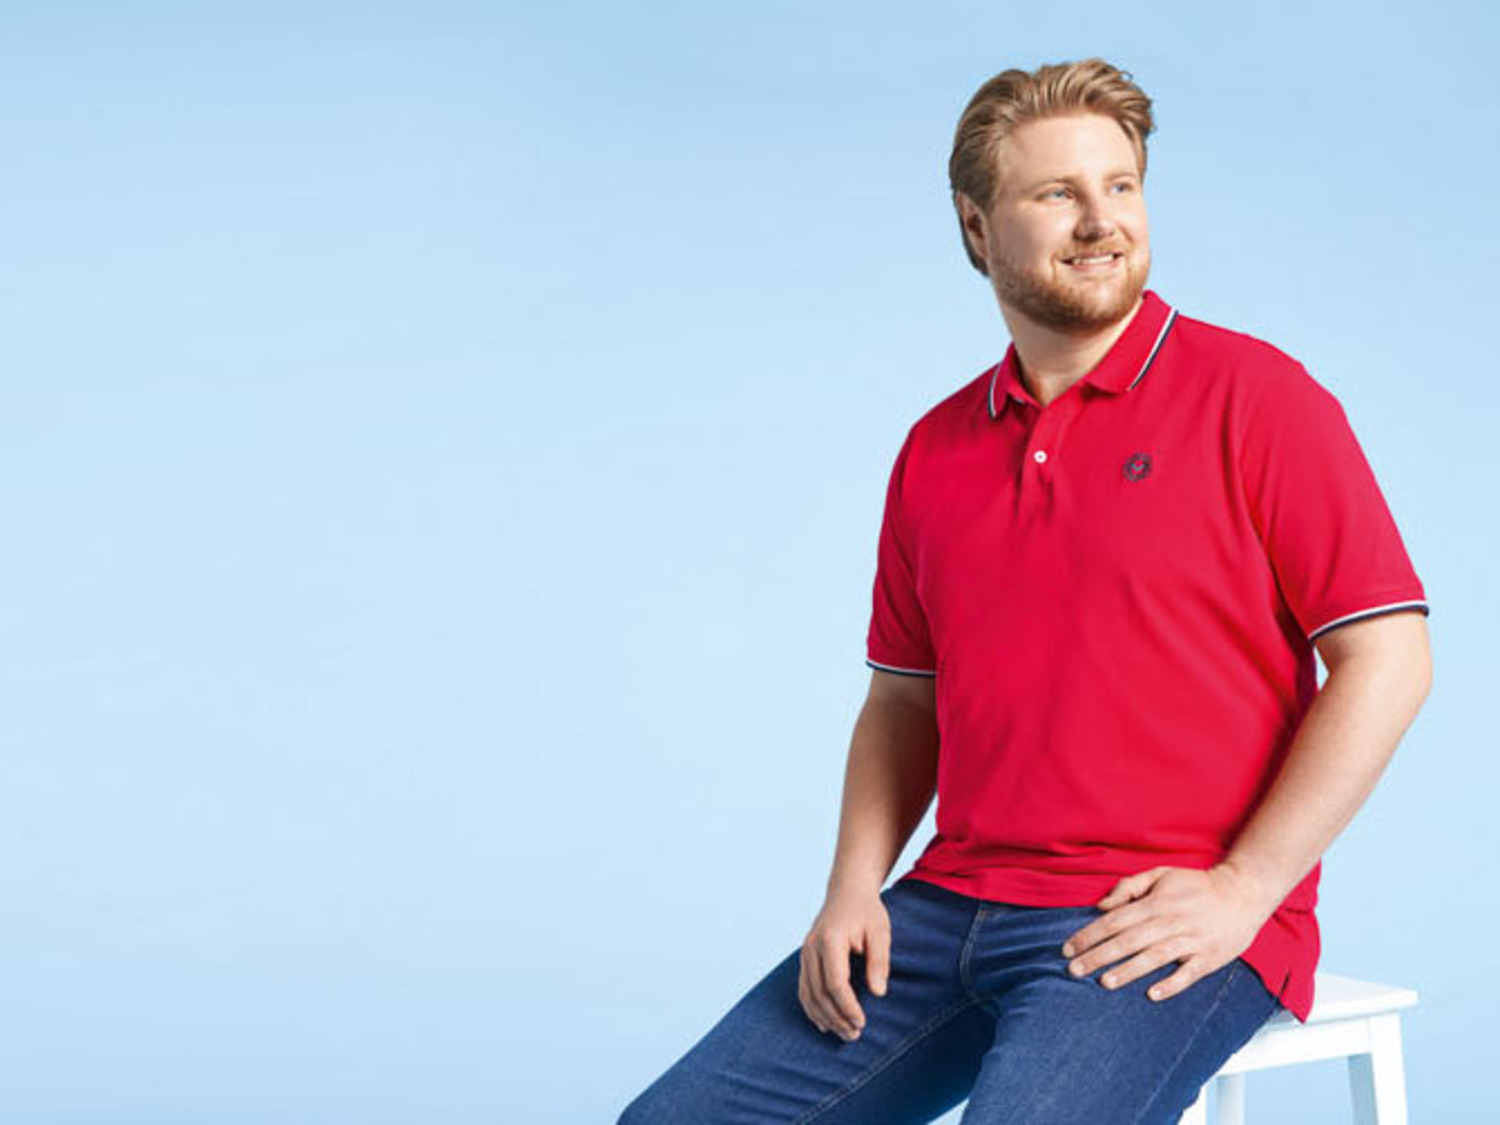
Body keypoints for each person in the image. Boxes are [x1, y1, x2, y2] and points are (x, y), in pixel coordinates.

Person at [617, 57, 1433, 1124]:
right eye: (1058, 193)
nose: (1102, 221)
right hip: (946, 905)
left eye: (1121, 185)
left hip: (1153, 914)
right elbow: (902, 699)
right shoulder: (935, 449)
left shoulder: (1258, 399)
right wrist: (852, 887)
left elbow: (1389, 658)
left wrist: (1245, 888)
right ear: (976, 226)